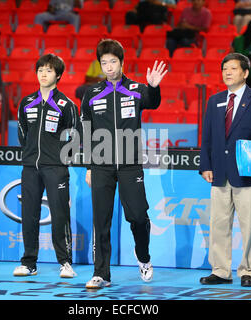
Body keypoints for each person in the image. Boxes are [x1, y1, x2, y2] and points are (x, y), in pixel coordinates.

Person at [81, 39, 168, 289]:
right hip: (101, 165)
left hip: (130, 165)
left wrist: (153, 87)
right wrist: (88, 165)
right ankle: (101, 273)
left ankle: (144, 258)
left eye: (113, 62)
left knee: (138, 216)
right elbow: (85, 130)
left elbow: (153, 102)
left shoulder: (137, 89)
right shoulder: (92, 93)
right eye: (104, 63)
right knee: (102, 221)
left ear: (122, 62)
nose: (109, 67)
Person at [199, 52, 251, 287]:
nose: (228, 73)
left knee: (249, 224)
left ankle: (248, 271)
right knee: (218, 224)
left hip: (248, 172)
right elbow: (208, 137)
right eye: (224, 69)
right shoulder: (214, 101)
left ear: (245, 73)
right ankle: (221, 270)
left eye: (233, 69)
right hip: (219, 173)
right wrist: (205, 165)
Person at [14, 54, 80, 278]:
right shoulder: (26, 102)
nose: (43, 74)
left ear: (58, 75)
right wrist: (31, 154)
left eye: (49, 70)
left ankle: (65, 262)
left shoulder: (67, 105)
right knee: (29, 214)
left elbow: (74, 137)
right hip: (30, 167)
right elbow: (22, 133)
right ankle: (29, 263)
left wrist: (62, 160)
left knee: (60, 215)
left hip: (56, 168)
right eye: (40, 69)